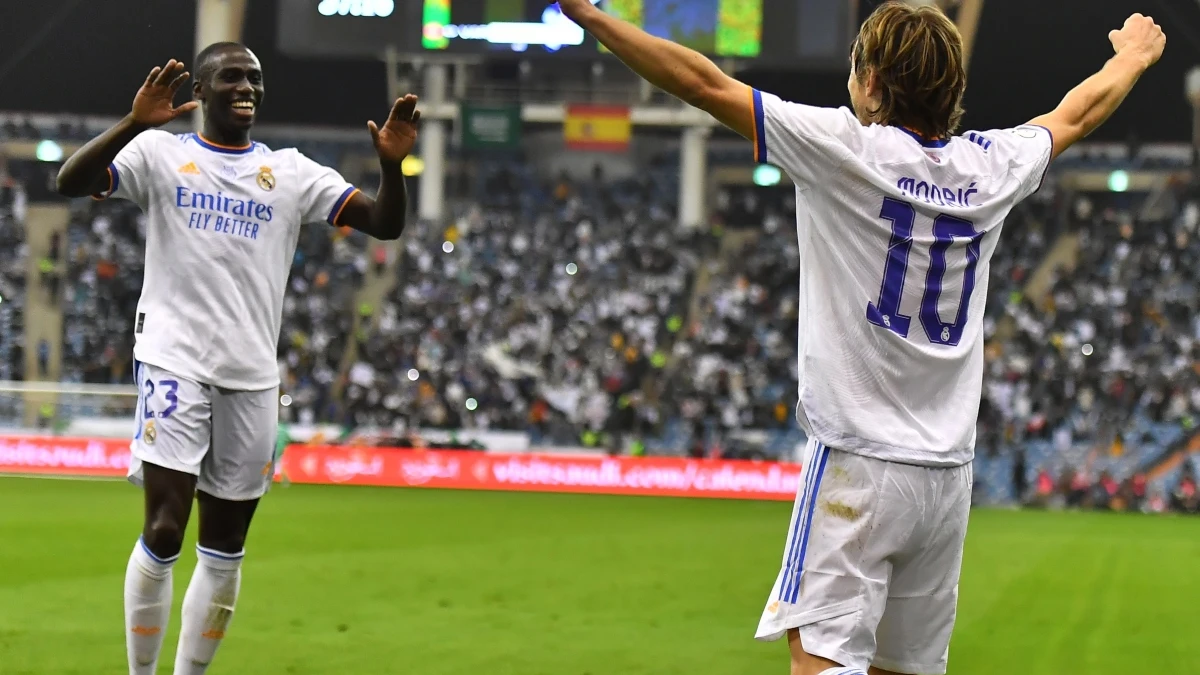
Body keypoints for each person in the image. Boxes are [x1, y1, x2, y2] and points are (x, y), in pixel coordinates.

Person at [551, 1, 1164, 673]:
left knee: (820, 662)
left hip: (858, 464)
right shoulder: (993, 166)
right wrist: (1131, 56)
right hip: (947, 479)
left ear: (873, 83)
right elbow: (1075, 112)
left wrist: (592, 16)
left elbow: (701, 83)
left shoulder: (843, 147)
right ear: (951, 91)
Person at [55, 42, 420, 675]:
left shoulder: (293, 171)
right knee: (166, 529)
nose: (247, 87)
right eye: (232, 77)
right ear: (201, 87)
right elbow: (70, 181)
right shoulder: (161, 155)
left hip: (251, 377)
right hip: (174, 360)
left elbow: (384, 225)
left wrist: (391, 168)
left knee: (224, 549)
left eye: (254, 77)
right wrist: (132, 124)